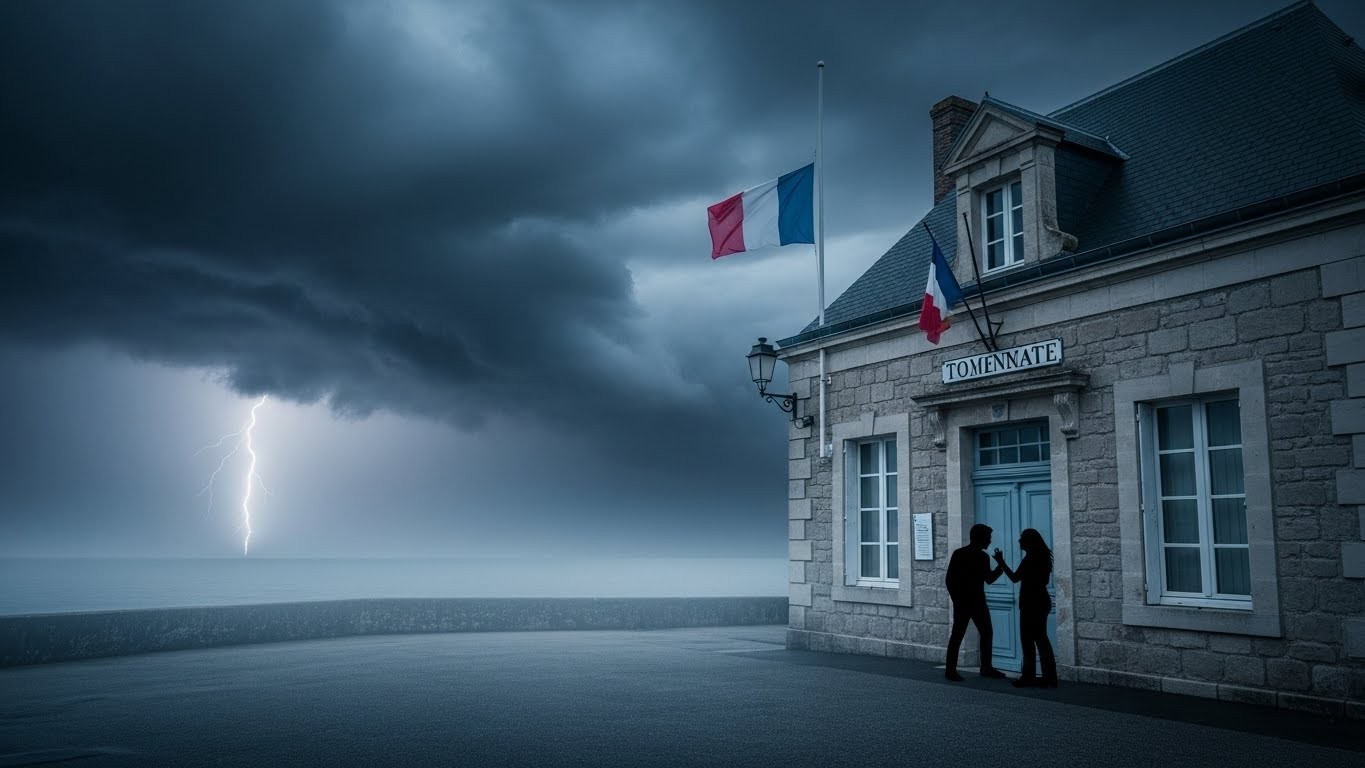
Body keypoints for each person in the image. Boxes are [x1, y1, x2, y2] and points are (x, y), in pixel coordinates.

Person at [994, 528, 1058, 688]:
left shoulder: (1030, 559)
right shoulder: (1043, 557)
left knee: (1028, 641)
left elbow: (1015, 578)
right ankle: (1049, 677)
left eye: (1022, 538)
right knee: (1042, 640)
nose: (1019, 541)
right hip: (1042, 601)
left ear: (1029, 542)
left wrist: (1001, 562)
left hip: (1031, 604)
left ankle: (1028, 677)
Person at [944, 523, 1006, 681]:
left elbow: (949, 580)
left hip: (964, 602)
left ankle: (950, 670)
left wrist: (956, 599)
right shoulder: (981, 557)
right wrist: (1001, 566)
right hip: (976, 602)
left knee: (957, 636)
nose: (990, 541)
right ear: (981, 538)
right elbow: (990, 579)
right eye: (988, 537)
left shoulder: (959, 553)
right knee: (985, 633)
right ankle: (985, 668)